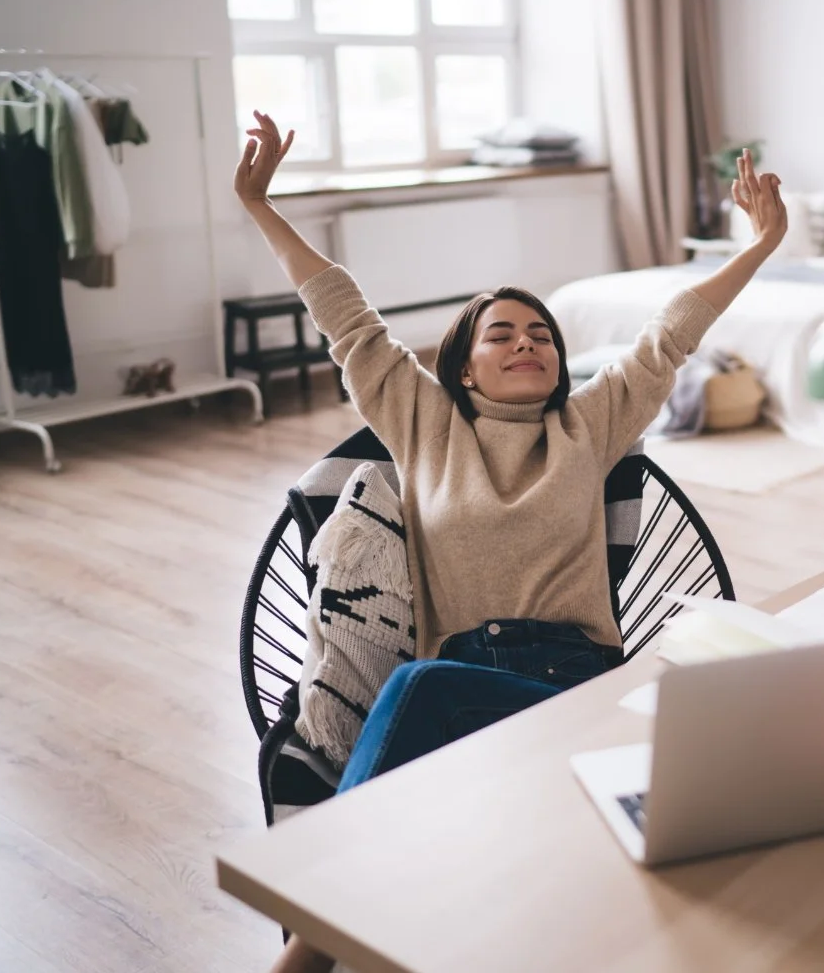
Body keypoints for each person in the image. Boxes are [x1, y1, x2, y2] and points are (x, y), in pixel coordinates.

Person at [234, 111, 788, 973]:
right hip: (461, 699)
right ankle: (351, 928)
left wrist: (760, 243)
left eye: (541, 335)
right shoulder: (423, 423)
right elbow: (341, 309)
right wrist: (259, 205)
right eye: (503, 333)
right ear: (463, 365)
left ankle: (309, 944)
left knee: (422, 691)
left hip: (578, 687)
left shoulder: (589, 425)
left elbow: (671, 331)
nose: (527, 342)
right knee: (423, 691)